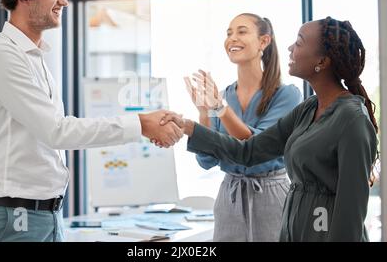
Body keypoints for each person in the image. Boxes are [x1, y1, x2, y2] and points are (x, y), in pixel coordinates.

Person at [0, 0, 182, 242]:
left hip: (41, 216)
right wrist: (140, 124)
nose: (65, 2)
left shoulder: (33, 57)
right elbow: (56, 131)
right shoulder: (3, 55)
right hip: (15, 221)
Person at [161, 17, 378, 242]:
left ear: (322, 61)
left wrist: (218, 109)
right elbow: (249, 151)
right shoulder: (308, 109)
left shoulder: (352, 120)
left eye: (300, 43)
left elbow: (350, 215)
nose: (290, 48)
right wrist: (188, 126)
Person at [183, 13, 302, 241]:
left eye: (242, 31)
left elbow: (255, 148)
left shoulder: (287, 95)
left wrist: (219, 108)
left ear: (264, 42)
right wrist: (203, 112)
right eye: (229, 33)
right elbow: (207, 161)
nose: (232, 38)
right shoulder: (224, 96)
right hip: (230, 197)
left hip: (271, 195)